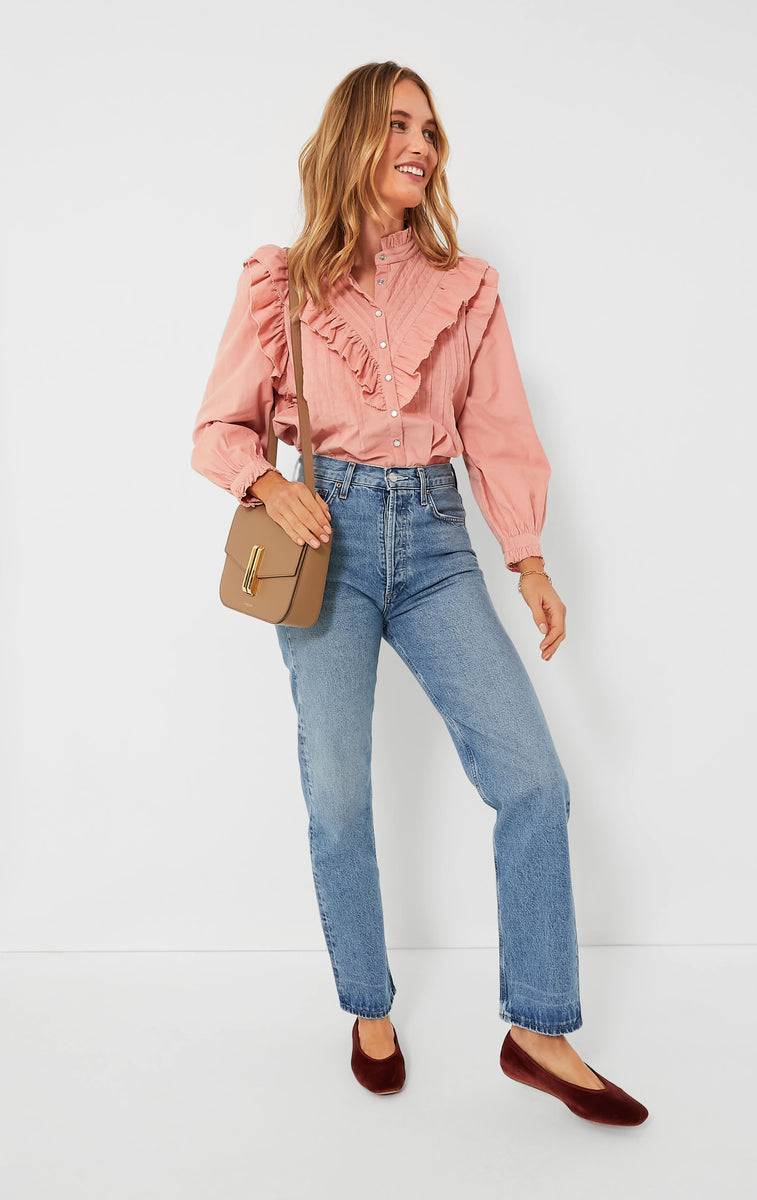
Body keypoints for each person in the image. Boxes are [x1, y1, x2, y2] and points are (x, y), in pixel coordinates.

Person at [190, 61, 648, 1125]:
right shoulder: (280, 284)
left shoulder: (464, 287)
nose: (420, 146)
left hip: (439, 544)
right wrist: (268, 484)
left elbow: (497, 429)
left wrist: (527, 559)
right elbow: (216, 429)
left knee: (533, 783)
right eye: (399, 124)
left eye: (430, 131)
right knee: (339, 797)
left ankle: (537, 1029)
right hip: (326, 541)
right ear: (353, 135)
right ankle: (368, 1006)